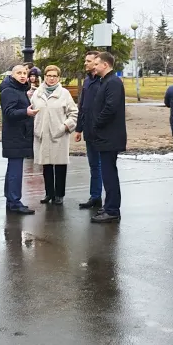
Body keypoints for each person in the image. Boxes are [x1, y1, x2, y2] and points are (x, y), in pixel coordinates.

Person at [31, 65, 78, 205]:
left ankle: (59, 194)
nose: (51, 78)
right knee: (46, 165)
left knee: (60, 165)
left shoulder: (64, 93)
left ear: (58, 77)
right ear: (44, 76)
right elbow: (31, 109)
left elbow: (74, 113)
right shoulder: (37, 93)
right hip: (42, 134)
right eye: (49, 75)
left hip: (59, 134)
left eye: (54, 76)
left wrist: (65, 126)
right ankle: (49, 193)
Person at [89, 52, 127, 223]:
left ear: (105, 65)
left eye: (96, 64)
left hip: (110, 136)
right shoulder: (106, 81)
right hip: (106, 135)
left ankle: (112, 209)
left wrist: (97, 123)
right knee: (107, 173)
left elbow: (110, 107)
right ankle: (109, 205)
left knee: (109, 173)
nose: (93, 67)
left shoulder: (113, 82)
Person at [1, 64, 38, 215]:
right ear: (12, 75)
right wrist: (26, 112)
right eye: (19, 73)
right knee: (15, 170)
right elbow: (9, 112)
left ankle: (11, 199)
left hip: (19, 135)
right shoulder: (9, 91)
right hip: (15, 135)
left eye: (25, 73)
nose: (23, 76)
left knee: (13, 169)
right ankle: (15, 201)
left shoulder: (20, 90)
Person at [74, 51, 102, 210]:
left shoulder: (104, 82)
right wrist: (79, 128)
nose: (85, 63)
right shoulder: (87, 82)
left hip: (101, 131)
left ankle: (101, 197)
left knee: (101, 165)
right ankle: (95, 196)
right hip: (89, 130)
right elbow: (82, 106)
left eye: (88, 61)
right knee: (93, 165)